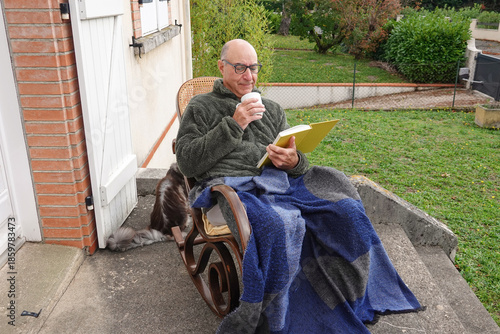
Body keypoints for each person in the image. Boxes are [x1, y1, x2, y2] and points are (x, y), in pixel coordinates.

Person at [176, 39, 422, 334]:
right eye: (240, 67)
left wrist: (293, 161)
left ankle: (346, 294)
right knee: (277, 226)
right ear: (222, 67)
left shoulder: (272, 108)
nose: (248, 76)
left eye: (253, 68)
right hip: (232, 188)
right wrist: (233, 124)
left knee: (345, 209)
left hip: (280, 181)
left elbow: (295, 157)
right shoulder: (201, 107)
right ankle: (279, 314)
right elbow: (188, 163)